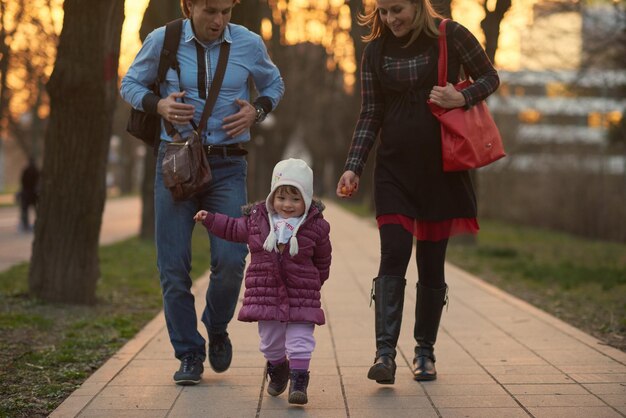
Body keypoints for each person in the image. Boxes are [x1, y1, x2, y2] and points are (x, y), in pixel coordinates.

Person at [120, 0, 284, 385]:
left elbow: (275, 84)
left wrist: (256, 111)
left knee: (231, 258)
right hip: (177, 162)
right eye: (211, 10)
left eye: (226, 11)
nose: (219, 20)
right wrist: (157, 103)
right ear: (189, 5)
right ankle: (189, 354)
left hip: (228, 165)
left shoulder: (248, 43)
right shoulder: (164, 39)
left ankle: (216, 323)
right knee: (173, 267)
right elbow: (129, 83)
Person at [336, 0, 499, 384]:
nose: (391, 19)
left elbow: (490, 77)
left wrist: (462, 97)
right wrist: (353, 166)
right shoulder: (375, 51)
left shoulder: (451, 36)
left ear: (417, 5)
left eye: (398, 10)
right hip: (393, 170)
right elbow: (370, 112)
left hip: (442, 171)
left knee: (431, 262)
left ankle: (424, 351)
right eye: (384, 12)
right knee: (393, 252)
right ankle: (385, 354)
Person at [194, 158, 332, 405]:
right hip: (266, 295)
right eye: (281, 197)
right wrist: (211, 219)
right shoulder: (257, 222)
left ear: (307, 200)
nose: (287, 205)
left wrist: (314, 282)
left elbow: (323, 260)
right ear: (272, 197)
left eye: (295, 198)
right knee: (270, 344)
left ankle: (299, 382)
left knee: (300, 341)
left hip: (302, 295)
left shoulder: (316, 227)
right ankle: (279, 369)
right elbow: (233, 228)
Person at [19, 157, 40, 232]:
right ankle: (36, 223)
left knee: (25, 210)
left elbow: (22, 182)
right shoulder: (36, 171)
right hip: (33, 194)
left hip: (27, 193)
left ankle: (25, 225)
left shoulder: (26, 171)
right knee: (35, 210)